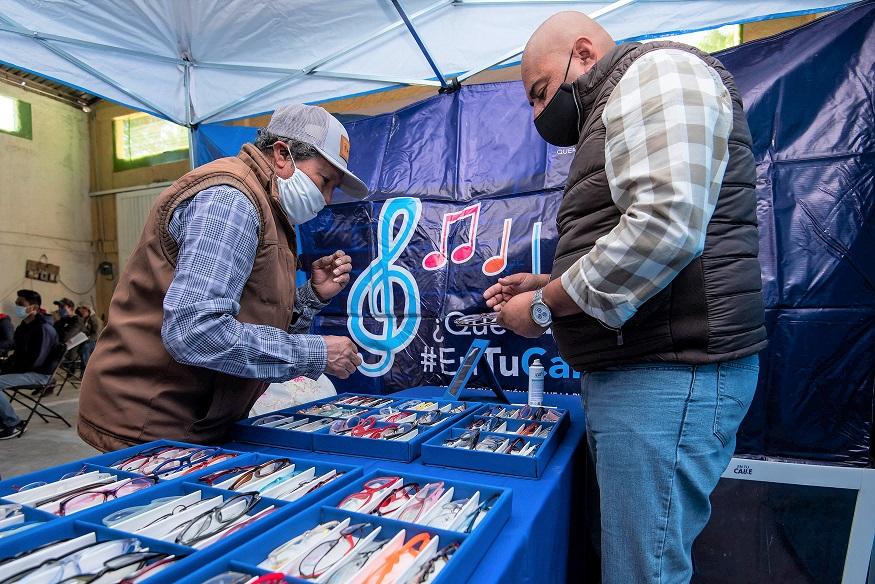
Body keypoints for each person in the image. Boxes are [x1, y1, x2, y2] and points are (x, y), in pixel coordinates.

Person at [483, 12, 767, 584]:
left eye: (540, 93)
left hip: (668, 375)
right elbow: (643, 240)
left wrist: (543, 308)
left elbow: (664, 227)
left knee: (644, 571)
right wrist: (549, 285)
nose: (539, 115)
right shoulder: (620, 101)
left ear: (584, 54)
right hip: (650, 374)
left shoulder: (658, 73)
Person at [79, 104, 367, 452]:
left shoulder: (269, 208)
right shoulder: (231, 201)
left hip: (198, 418)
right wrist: (315, 354)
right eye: (324, 181)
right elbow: (195, 332)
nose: (325, 198)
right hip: (151, 421)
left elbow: (251, 318)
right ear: (281, 155)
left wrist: (311, 297)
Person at [0, 290, 62, 439]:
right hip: (27, 370)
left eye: (21, 304)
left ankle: (13, 423)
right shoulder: (24, 327)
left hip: (40, 374)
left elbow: (35, 361)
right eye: (16, 303)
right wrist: (5, 365)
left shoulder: (43, 328)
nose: (16, 306)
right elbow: (18, 354)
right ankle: (3, 419)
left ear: (33, 308)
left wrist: (8, 369)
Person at [75, 304, 102, 370]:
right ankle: (82, 368)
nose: (81, 313)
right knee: (78, 347)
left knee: (85, 347)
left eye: (82, 311)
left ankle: (87, 369)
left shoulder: (94, 319)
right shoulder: (85, 319)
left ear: (87, 310)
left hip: (95, 341)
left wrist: (87, 338)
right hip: (88, 339)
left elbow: (96, 333)